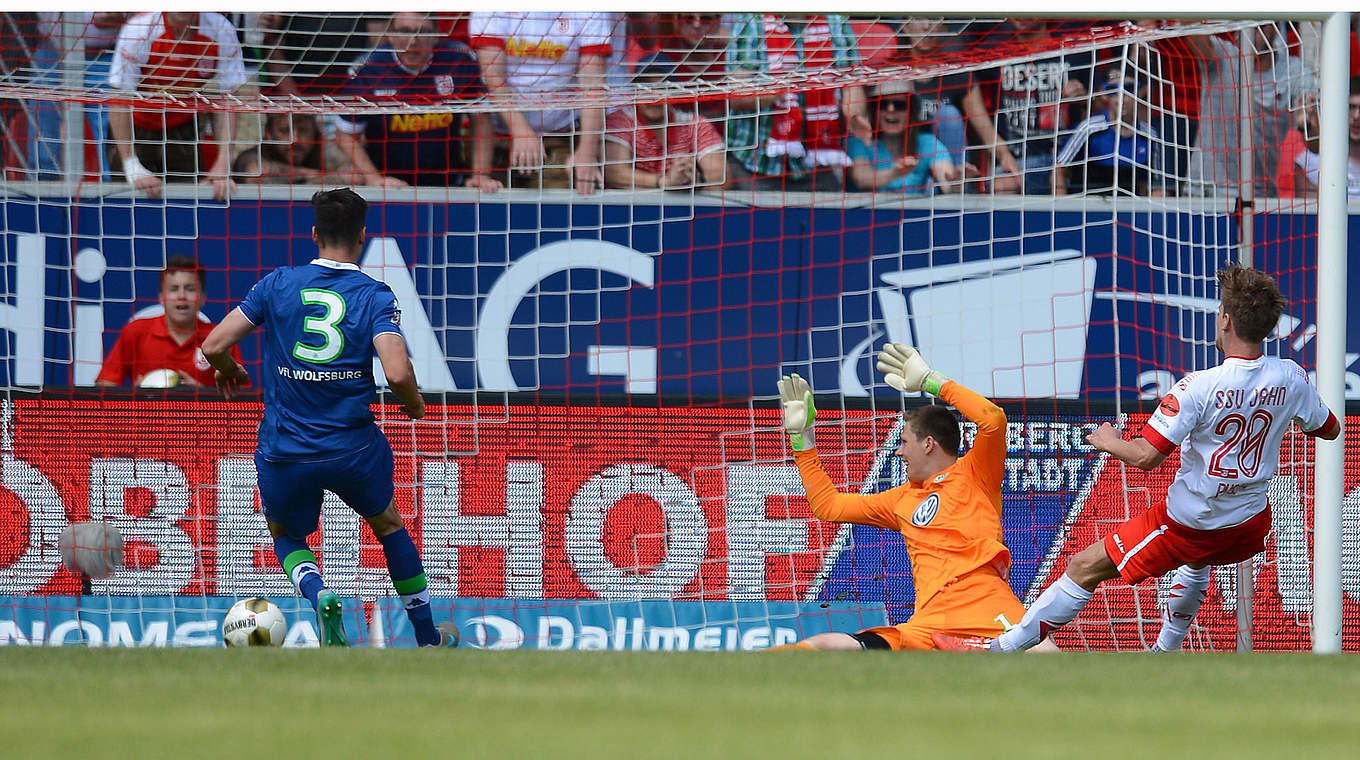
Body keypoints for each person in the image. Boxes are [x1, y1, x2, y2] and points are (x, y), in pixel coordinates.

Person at [934, 264, 1341, 653]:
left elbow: (1146, 457)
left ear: (1226, 321)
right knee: (1197, 564)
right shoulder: (1291, 376)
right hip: (1248, 526)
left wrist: (1109, 439)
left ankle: (998, 650)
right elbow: (1329, 429)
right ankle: (1166, 653)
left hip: (1190, 523)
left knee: (1083, 566)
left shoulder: (1198, 387)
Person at [201, 188, 456, 648]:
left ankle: (319, 595)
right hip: (353, 447)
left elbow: (214, 345)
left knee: (286, 534)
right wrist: (415, 406)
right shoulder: (374, 295)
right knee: (389, 526)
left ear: (314, 234)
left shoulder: (277, 283)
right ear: (362, 237)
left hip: (286, 449)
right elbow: (397, 371)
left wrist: (230, 369)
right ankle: (426, 638)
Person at [770, 344, 1057, 652]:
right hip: (930, 623)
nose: (898, 451)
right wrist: (803, 440)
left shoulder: (976, 473)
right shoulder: (900, 499)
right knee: (828, 645)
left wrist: (932, 382)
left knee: (1046, 655)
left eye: (905, 441)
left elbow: (993, 420)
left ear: (929, 444)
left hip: (987, 606)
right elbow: (829, 506)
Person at [334, 12, 501, 191]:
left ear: (436, 34)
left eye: (422, 32)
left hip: (448, 184)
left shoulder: (459, 59)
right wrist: (373, 178)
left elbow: (481, 119)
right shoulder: (368, 68)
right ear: (390, 33)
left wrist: (480, 175)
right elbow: (345, 134)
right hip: (389, 186)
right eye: (404, 31)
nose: (412, 41)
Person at [107, 12, 248, 201]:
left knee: (186, 202)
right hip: (135, 127)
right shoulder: (138, 30)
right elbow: (119, 100)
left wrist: (223, 163)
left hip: (184, 127)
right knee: (127, 201)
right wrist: (131, 165)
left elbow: (229, 98)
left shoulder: (221, 30)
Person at [724, 13, 871, 193]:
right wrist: (781, 90)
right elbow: (736, 97)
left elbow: (852, 86)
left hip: (819, 163)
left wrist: (854, 115)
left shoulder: (836, 23)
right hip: (757, 165)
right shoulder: (752, 22)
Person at [469, 12, 614, 193]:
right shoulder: (491, 9)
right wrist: (521, 131)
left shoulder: (589, 10)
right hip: (496, 138)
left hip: (559, 137)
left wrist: (587, 152)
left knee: (562, 210)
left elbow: (593, 87)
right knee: (489, 211)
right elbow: (493, 79)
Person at [963, 19, 1096, 194]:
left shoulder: (1074, 48)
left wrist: (1084, 97)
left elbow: (1102, 104)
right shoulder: (996, 49)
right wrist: (1001, 151)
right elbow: (965, 89)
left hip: (1068, 158)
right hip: (1017, 160)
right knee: (1001, 185)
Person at [1184, 23, 1316, 198]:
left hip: (1259, 196)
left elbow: (1315, 144)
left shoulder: (1294, 72)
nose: (1253, 30)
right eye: (1248, 22)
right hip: (1204, 193)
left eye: (1261, 23)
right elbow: (1185, 22)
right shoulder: (1221, 55)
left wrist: (1308, 120)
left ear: (1276, 27)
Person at [96, 255, 247, 389]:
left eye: (190, 289)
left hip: (200, 420)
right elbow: (104, 385)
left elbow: (242, 399)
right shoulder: (135, 332)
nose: (182, 296)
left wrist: (201, 395)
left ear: (202, 297)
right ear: (161, 298)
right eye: (174, 289)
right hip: (146, 420)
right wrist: (136, 395)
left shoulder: (221, 338)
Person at [602, 53, 727, 190]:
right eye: (646, 87)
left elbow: (722, 178)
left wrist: (692, 180)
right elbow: (614, 174)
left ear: (674, 92)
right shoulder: (621, 121)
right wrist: (665, 182)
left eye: (662, 87)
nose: (654, 95)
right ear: (635, 91)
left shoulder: (695, 124)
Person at [847, 80, 974, 194]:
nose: (891, 110)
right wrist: (895, 173)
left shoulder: (927, 143)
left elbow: (947, 184)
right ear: (875, 110)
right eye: (883, 104)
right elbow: (861, 179)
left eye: (899, 105)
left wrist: (958, 182)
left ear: (911, 111)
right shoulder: (859, 140)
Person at [1054, 78, 1168, 196]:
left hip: (1132, 208)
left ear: (1140, 93)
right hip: (1090, 205)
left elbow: (1158, 183)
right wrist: (1062, 208)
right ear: (1106, 96)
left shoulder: (1150, 136)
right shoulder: (1089, 129)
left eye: (1129, 89)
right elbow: (1059, 170)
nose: (1121, 98)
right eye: (1113, 91)